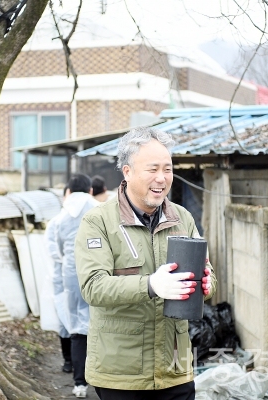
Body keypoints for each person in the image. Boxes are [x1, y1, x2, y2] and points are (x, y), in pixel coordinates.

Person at [74, 127, 217, 400]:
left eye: (168, 169)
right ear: (127, 172)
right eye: (152, 169)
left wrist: (207, 282)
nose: (162, 179)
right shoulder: (98, 222)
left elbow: (208, 271)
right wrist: (151, 284)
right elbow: (93, 287)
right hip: (121, 374)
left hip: (175, 368)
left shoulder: (183, 218)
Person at [55, 174, 98, 398]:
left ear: (69, 191)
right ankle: (103, 381)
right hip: (96, 271)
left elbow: (59, 246)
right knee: (100, 325)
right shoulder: (99, 208)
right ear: (90, 190)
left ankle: (79, 383)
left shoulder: (62, 214)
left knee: (77, 329)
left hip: (71, 274)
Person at [44, 186, 72, 373]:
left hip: (77, 278)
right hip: (62, 279)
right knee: (64, 320)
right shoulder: (57, 222)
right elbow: (53, 251)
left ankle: (78, 362)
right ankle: (68, 360)